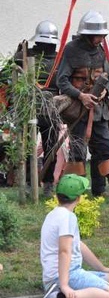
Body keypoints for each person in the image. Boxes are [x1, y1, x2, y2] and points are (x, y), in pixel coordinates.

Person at [55, 10, 109, 201]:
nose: (101, 38)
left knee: (107, 147)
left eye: (103, 35)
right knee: (78, 151)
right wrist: (81, 95)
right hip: (78, 111)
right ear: (87, 34)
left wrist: (105, 91)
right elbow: (61, 81)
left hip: (100, 111)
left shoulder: (100, 51)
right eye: (98, 35)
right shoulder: (71, 50)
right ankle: (74, 193)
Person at [38, 174, 109, 298]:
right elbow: (64, 251)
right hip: (66, 276)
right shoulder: (68, 217)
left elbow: (78, 245)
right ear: (79, 198)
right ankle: (59, 297)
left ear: (57, 195)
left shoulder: (53, 214)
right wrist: (64, 285)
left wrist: (102, 268)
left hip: (62, 275)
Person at [13, 21, 60, 196]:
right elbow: (10, 77)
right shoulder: (24, 55)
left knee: (51, 149)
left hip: (51, 107)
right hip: (28, 106)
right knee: (26, 148)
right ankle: (27, 182)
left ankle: (48, 183)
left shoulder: (59, 58)